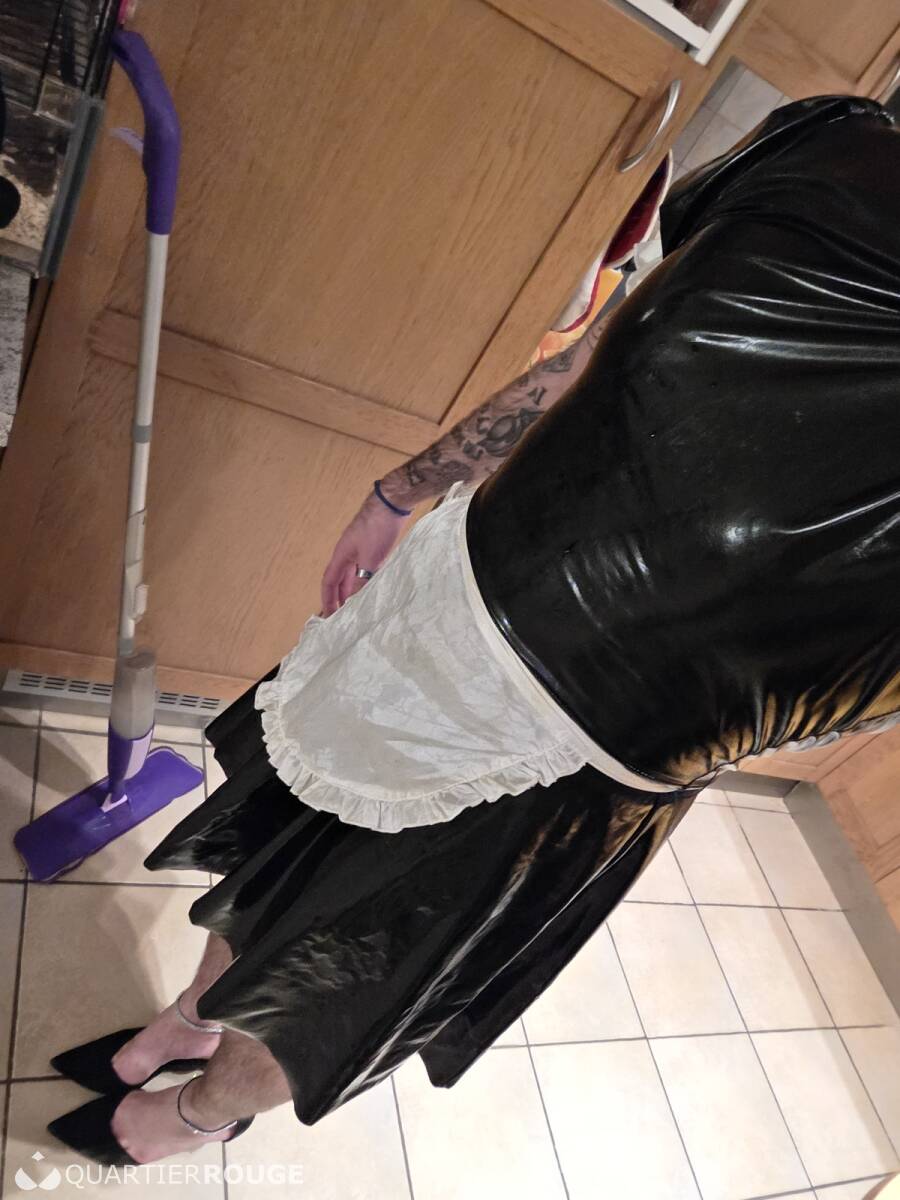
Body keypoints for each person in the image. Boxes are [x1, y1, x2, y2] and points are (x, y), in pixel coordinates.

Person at [47, 94, 899, 1165]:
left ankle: (199, 1114)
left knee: (347, 959)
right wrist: (403, 490)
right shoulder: (836, 146)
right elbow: (596, 351)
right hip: (460, 600)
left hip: (593, 749)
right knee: (289, 852)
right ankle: (192, 1020)